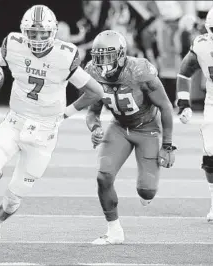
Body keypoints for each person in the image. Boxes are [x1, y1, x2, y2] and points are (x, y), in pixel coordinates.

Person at [0, 5, 104, 248]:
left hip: (44, 131)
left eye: (43, 33)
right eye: (32, 33)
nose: (38, 39)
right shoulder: (13, 43)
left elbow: (96, 91)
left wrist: (67, 113)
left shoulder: (65, 55)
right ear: (23, 31)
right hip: (15, 121)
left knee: (13, 199)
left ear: (53, 32)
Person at [85, 30, 176, 245]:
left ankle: (147, 190)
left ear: (121, 55)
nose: (102, 63)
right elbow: (92, 111)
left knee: (147, 191)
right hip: (118, 127)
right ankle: (114, 231)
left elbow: (165, 105)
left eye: (108, 57)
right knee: (103, 177)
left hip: (147, 129)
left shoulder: (139, 70)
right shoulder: (92, 72)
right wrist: (95, 127)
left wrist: (168, 145)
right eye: (99, 57)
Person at [176, 8, 213, 222]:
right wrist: (183, 103)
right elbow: (184, 72)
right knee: (210, 152)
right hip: (212, 102)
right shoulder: (202, 45)